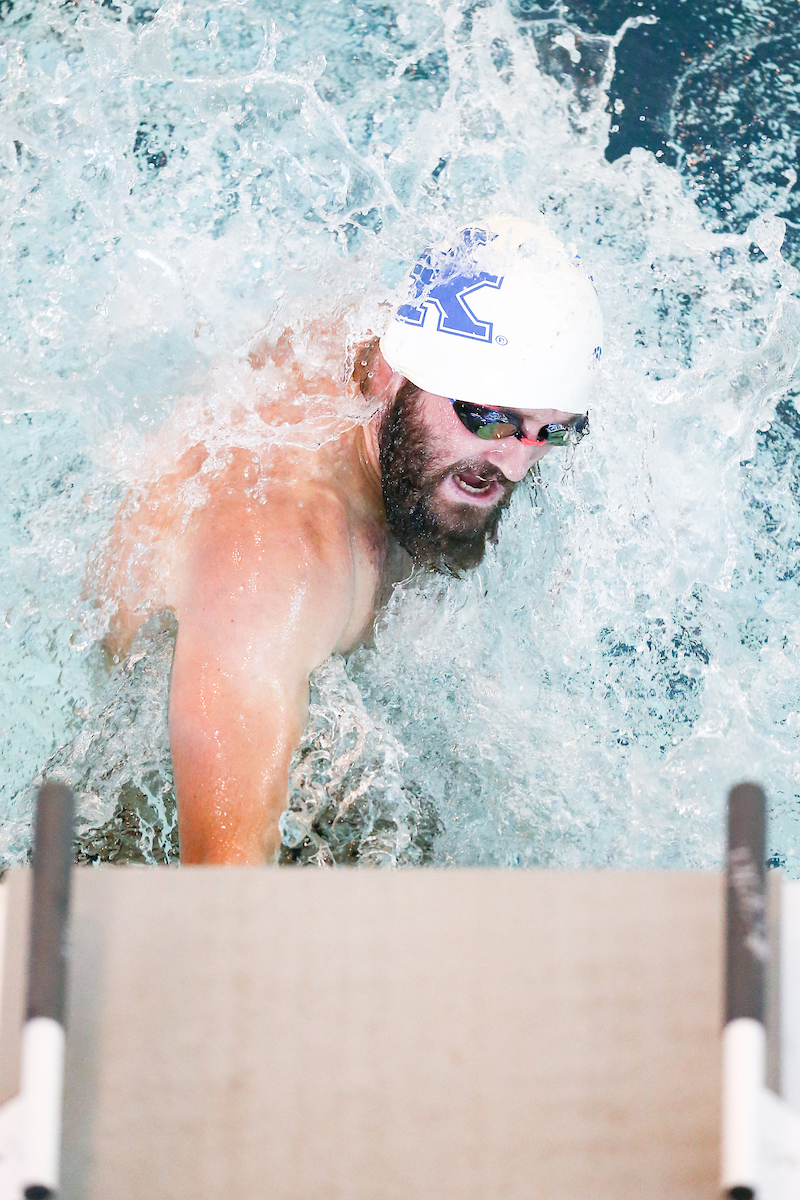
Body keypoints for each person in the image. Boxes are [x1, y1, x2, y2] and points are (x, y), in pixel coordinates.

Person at [102, 215, 603, 864]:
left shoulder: (396, 374)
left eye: (553, 431)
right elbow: (219, 897)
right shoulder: (279, 561)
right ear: (392, 374)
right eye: (488, 418)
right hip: (145, 812)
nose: (514, 463)